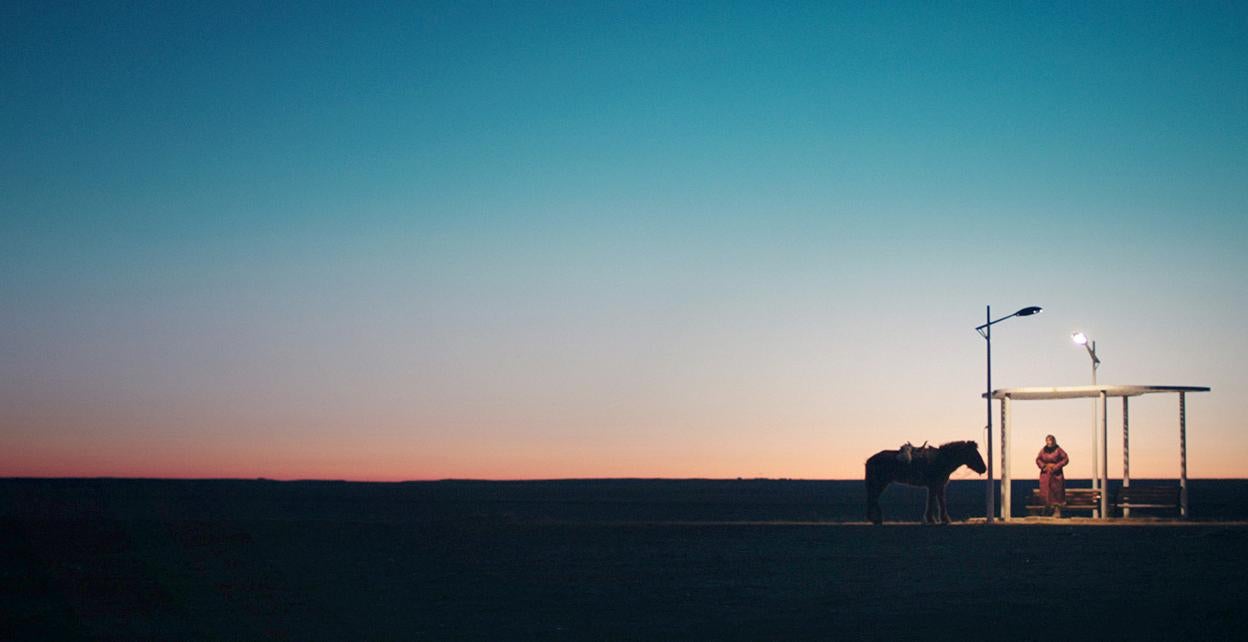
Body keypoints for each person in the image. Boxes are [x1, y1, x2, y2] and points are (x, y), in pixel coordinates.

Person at [1036, 434, 1070, 516]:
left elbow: (1065, 459)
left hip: (1056, 475)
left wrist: (1056, 467)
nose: (1049, 442)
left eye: (1050, 440)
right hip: (1045, 475)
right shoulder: (1043, 450)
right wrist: (1043, 466)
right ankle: (1047, 508)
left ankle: (1057, 510)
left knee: (1057, 492)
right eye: (1048, 441)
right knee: (1045, 492)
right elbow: (1038, 459)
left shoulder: (1059, 450)